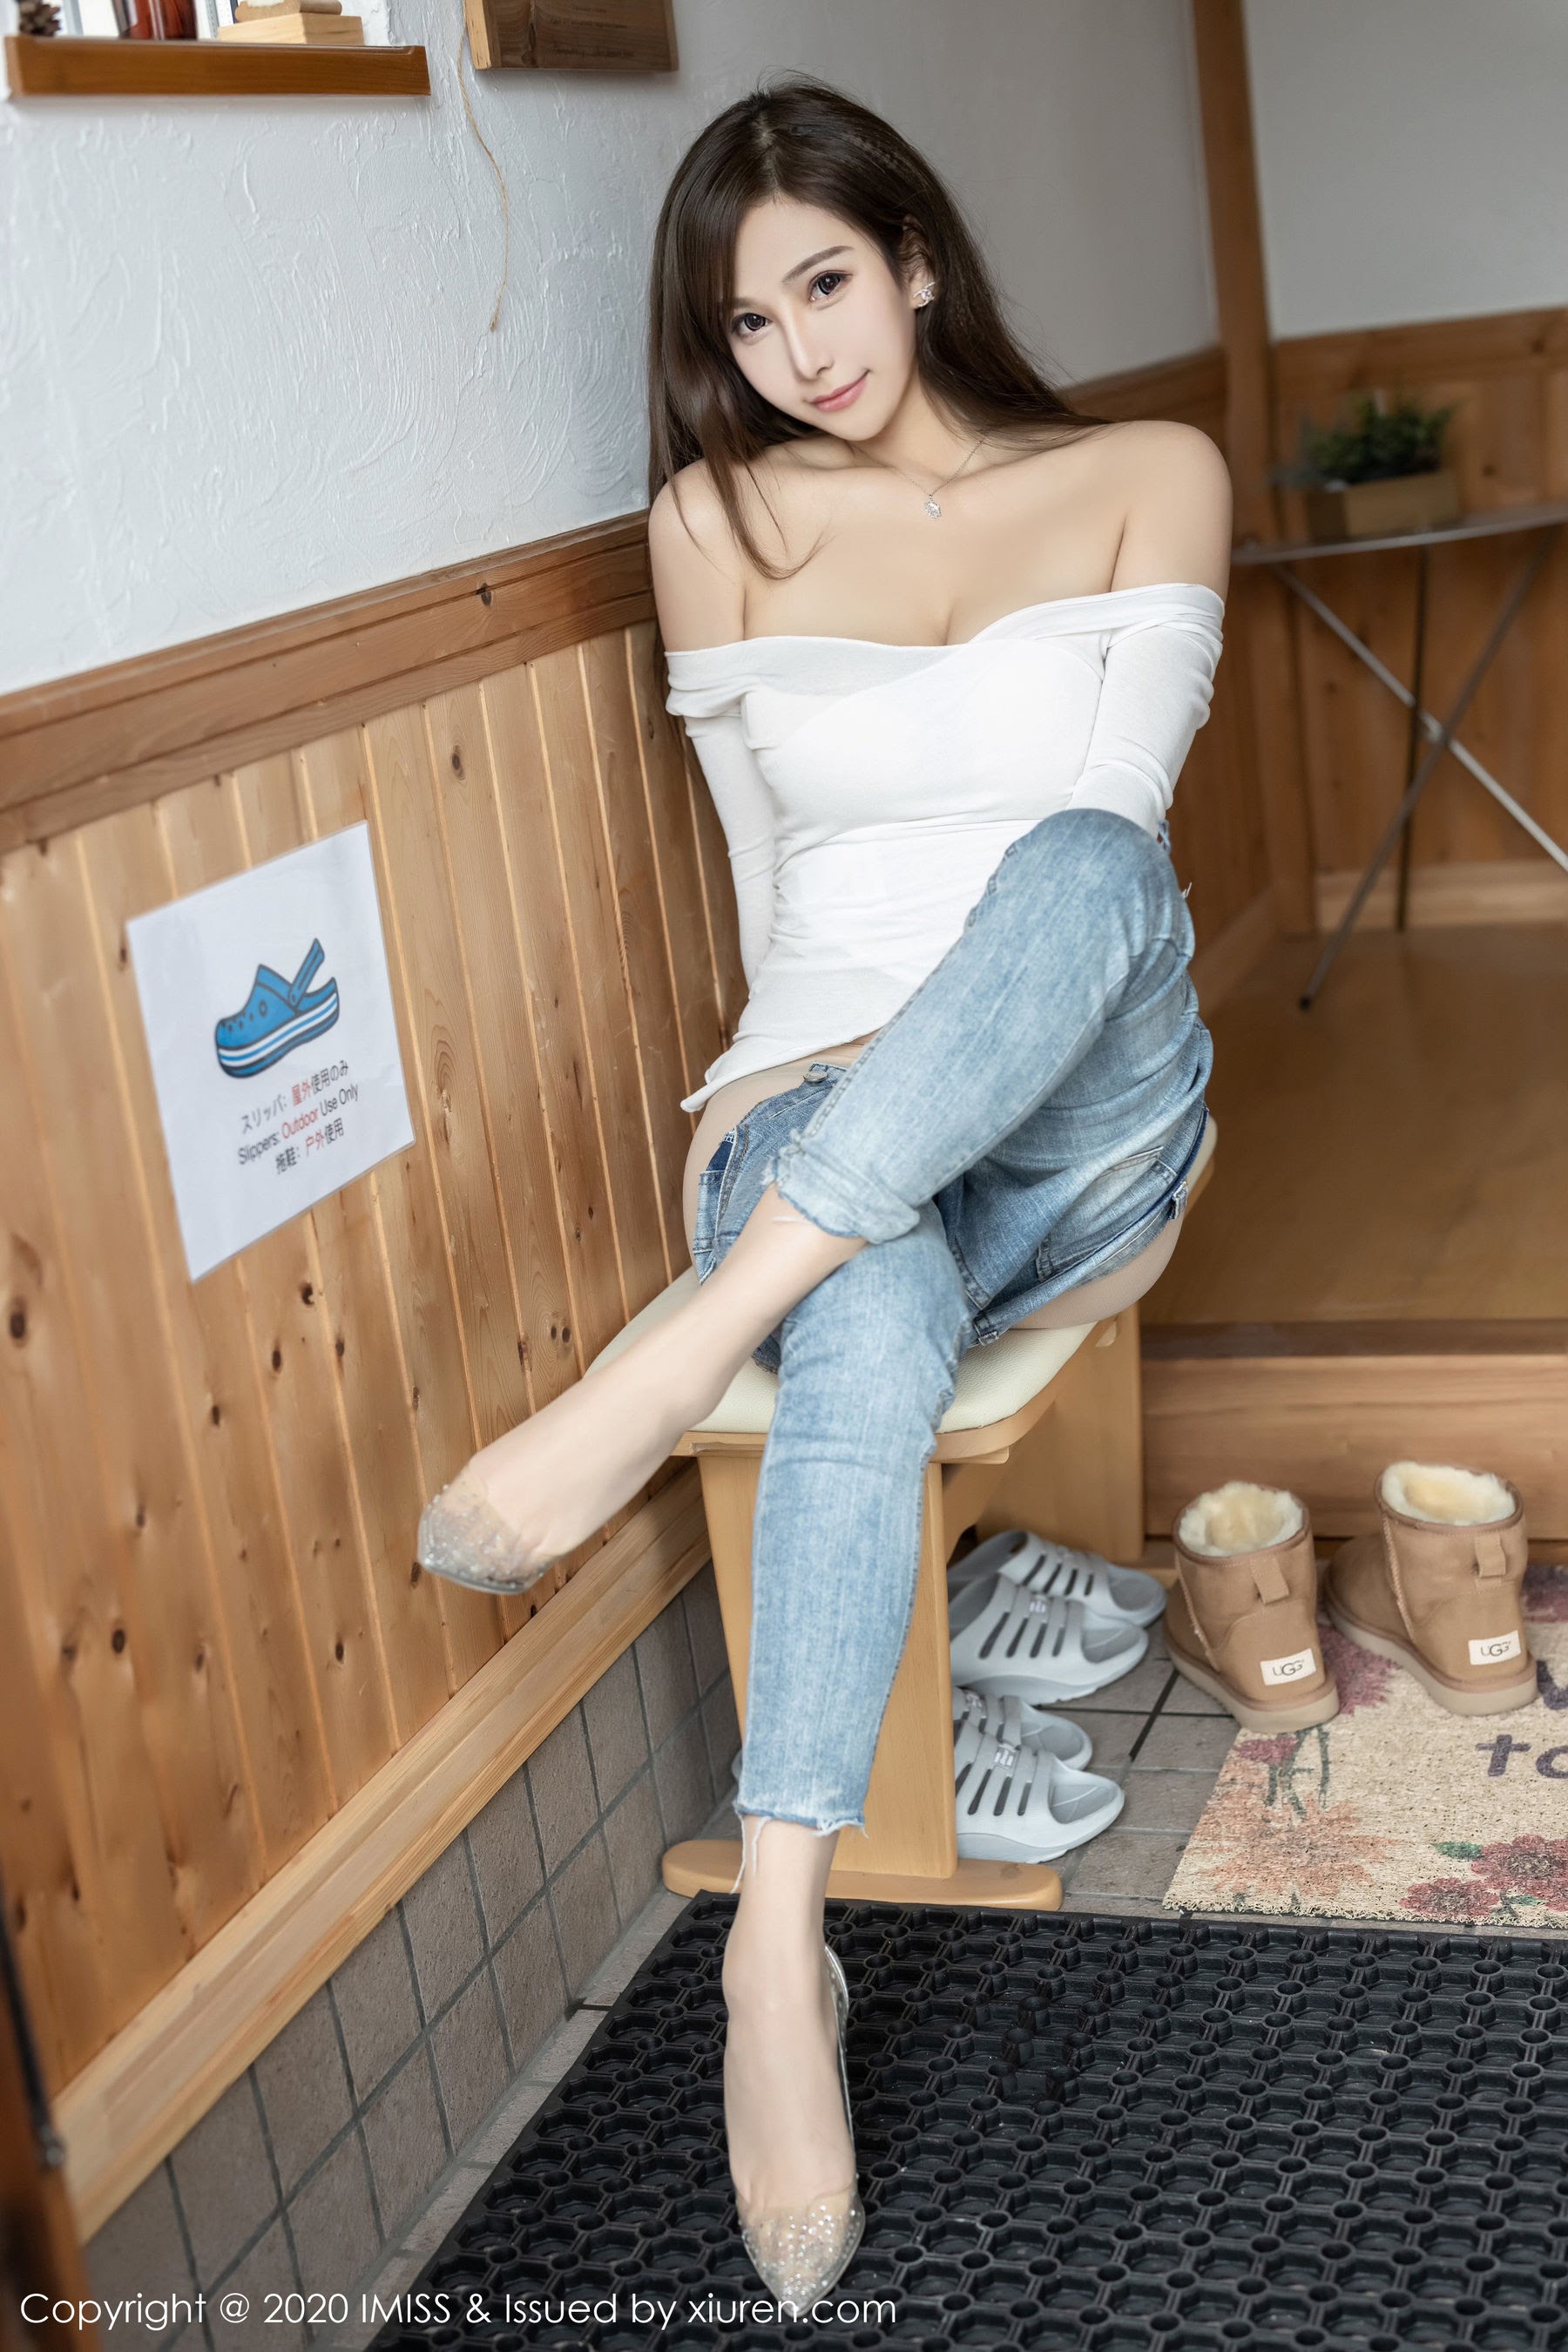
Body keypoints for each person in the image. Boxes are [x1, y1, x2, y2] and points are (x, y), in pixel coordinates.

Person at [416, 72, 1230, 2312]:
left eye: (827, 285)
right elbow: (776, 894)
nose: (797, 353)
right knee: (855, 1296)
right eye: (747, 322)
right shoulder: (716, 523)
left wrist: (817, 1173)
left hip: (1083, 1116)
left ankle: (672, 1355)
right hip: (824, 1115)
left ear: (918, 259)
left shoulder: (1146, 474)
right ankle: (779, 1956)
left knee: (1082, 860)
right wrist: (769, 1105)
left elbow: (1114, 856)